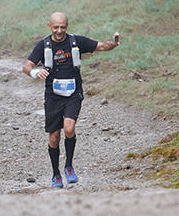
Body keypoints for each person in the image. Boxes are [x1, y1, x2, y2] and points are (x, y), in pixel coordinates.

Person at [21, 12, 120, 188]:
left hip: (74, 93)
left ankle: (69, 166)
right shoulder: (43, 45)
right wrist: (35, 72)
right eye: (56, 27)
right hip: (53, 95)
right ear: (49, 26)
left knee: (69, 128)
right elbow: (26, 66)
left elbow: (101, 46)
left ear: (67, 26)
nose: (59, 31)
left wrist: (114, 43)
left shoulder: (76, 41)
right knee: (54, 137)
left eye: (63, 27)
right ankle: (56, 174)